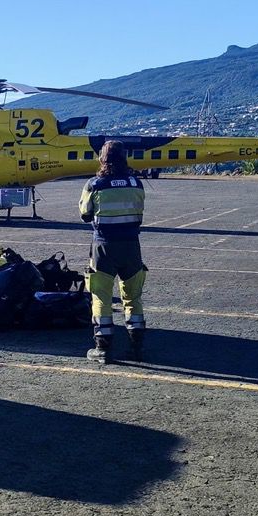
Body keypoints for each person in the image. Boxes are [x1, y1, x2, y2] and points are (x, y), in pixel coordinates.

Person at [78, 141, 147, 363]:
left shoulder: (95, 185)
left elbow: (85, 214)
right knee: (132, 296)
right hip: (131, 246)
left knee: (101, 296)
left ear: (102, 158)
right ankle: (137, 345)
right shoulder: (136, 183)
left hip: (104, 247)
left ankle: (103, 347)